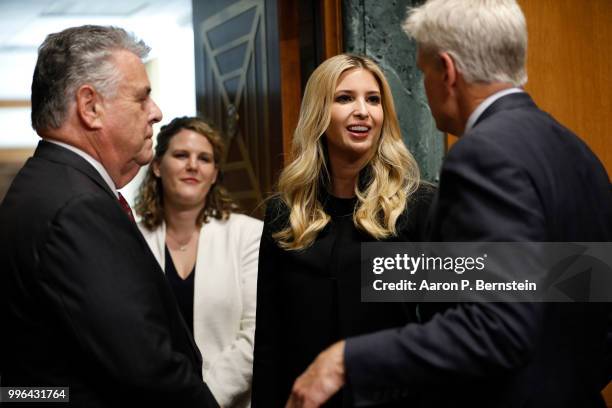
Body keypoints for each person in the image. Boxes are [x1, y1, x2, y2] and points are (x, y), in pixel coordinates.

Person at [286, 1, 612, 407]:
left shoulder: (484, 155)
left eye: (423, 72)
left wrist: (347, 360)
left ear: (448, 71)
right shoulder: (578, 152)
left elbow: (496, 324)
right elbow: (583, 295)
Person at [0, 26, 218, 407]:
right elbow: (145, 369)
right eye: (141, 98)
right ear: (90, 107)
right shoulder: (77, 206)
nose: (156, 112)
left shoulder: (47, 183)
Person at [251, 54, 435, 407]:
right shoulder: (284, 213)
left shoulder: (418, 207)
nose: (363, 111)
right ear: (319, 112)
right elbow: (270, 344)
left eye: (374, 99)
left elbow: (446, 329)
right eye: (345, 98)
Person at [135, 116, 262, 407]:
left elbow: (256, 333)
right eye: (181, 155)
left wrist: (204, 398)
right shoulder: (132, 238)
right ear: (156, 166)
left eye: (204, 158)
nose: (193, 165)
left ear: (215, 174)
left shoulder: (249, 235)